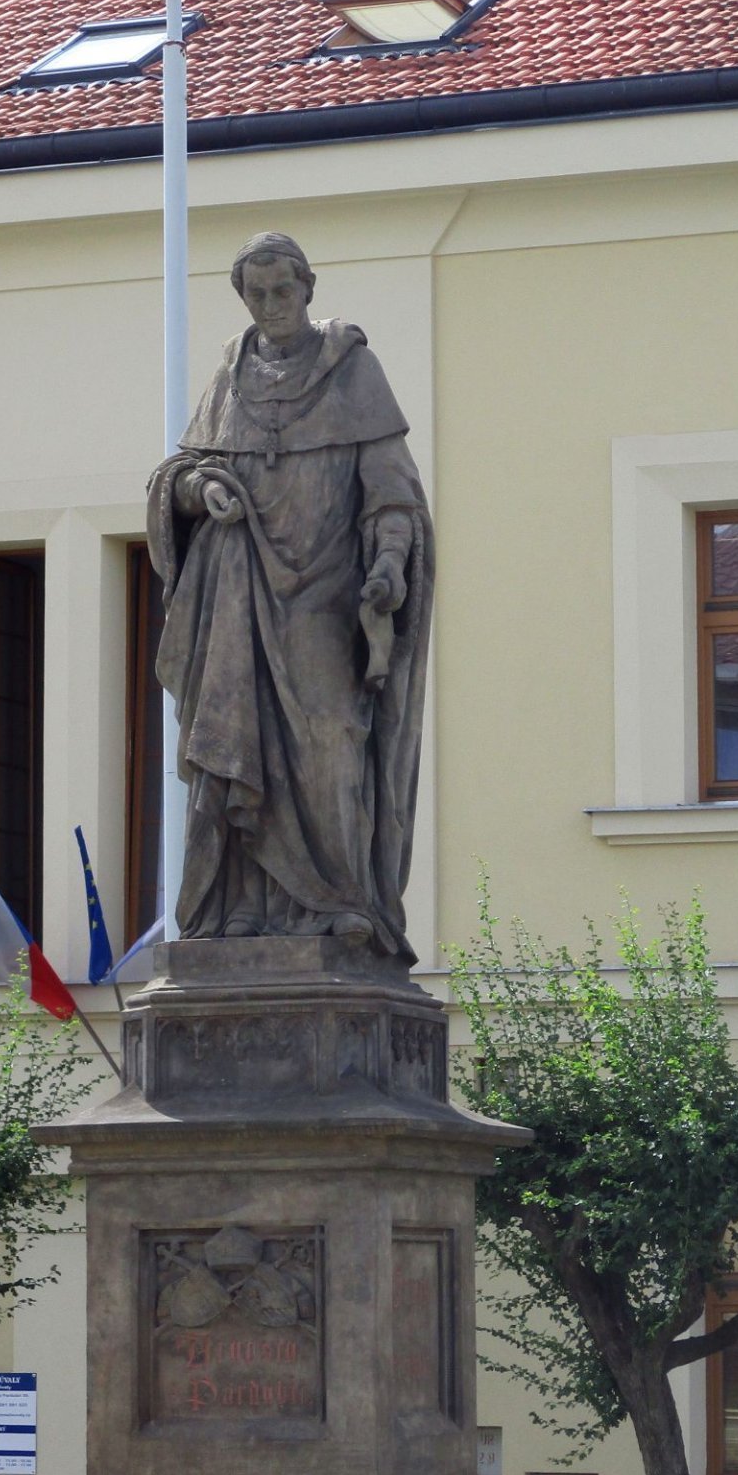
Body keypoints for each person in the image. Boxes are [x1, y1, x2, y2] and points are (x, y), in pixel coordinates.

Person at [148, 232, 433, 963]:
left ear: (308, 288)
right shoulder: (230, 375)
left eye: (283, 290)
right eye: (257, 293)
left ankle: (340, 903)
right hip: (240, 594)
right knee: (234, 748)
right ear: (243, 297)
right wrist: (201, 488)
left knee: (332, 739)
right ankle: (237, 911)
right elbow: (181, 474)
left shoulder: (352, 371)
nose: (272, 305)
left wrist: (391, 564)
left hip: (328, 594)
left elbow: (391, 492)